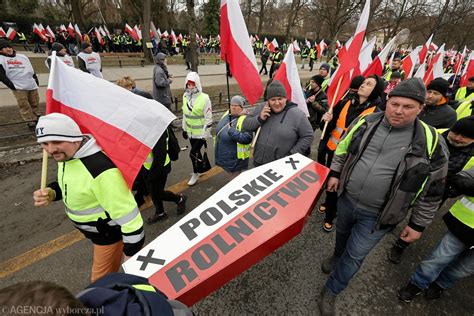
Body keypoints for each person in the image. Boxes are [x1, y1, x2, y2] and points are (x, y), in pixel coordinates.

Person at [318, 78, 449, 316]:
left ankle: (332, 290)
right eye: (394, 103)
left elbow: (433, 190)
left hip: (379, 216)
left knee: (355, 255)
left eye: (408, 106)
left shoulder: (431, 143)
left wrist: (417, 224)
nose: (398, 111)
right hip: (347, 200)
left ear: (421, 108)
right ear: (387, 101)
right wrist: (335, 173)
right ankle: (336, 256)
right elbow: (343, 147)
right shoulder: (366, 121)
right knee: (342, 237)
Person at [33, 113, 145, 282]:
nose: (50, 149)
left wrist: (131, 255)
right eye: (45, 143)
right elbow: (70, 183)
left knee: (100, 285)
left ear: (75, 139)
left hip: (107, 237)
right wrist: (52, 192)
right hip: (97, 234)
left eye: (56, 141)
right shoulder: (68, 156)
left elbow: (131, 218)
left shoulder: (101, 171)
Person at [388, 116, 474, 263]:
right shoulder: (435, 134)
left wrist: (455, 189)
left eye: (464, 137)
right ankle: (389, 223)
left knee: (420, 220)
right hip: (414, 182)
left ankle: (401, 245)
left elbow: (467, 180)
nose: (458, 138)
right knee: (399, 205)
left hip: (438, 192)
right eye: (456, 133)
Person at [398, 163, 473, 302]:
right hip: (466, 227)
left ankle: (440, 285)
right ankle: (417, 284)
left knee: (464, 269)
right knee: (439, 258)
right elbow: (463, 178)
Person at [317, 75, 383, 232]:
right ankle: (328, 203)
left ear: (376, 91)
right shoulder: (345, 102)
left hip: (350, 158)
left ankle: (330, 216)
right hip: (332, 150)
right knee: (330, 181)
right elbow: (329, 126)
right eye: (364, 82)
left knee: (337, 185)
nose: (363, 85)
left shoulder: (376, 113)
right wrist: (325, 119)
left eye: (368, 84)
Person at [241, 80, 314, 166]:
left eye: (280, 99)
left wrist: (292, 155)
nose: (277, 103)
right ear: (268, 100)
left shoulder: (298, 114)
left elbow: (308, 136)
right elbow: (245, 126)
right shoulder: (262, 108)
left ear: (286, 98)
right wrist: (259, 118)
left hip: (281, 165)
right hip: (258, 162)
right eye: (273, 99)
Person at [140, 127, 187, 223]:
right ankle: (160, 212)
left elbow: (160, 155)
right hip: (146, 166)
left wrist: (151, 175)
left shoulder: (157, 129)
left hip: (159, 168)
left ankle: (179, 199)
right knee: (152, 192)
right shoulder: (141, 126)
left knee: (158, 193)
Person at [0, 39, 40, 130]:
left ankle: (37, 117)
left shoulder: (22, 56)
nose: (8, 49)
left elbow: (31, 69)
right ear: (0, 50)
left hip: (31, 84)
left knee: (35, 103)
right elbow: (1, 76)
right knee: (24, 105)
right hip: (18, 87)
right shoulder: (1, 59)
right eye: (4, 48)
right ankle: (30, 122)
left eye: (9, 47)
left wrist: (35, 79)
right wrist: (12, 86)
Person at [182, 72, 212, 186]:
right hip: (190, 132)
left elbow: (208, 118)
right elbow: (185, 114)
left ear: (197, 84)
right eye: (188, 84)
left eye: (192, 84)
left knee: (192, 153)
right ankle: (202, 168)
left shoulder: (205, 98)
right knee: (196, 152)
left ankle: (195, 173)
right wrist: (184, 129)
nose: (190, 87)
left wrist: (205, 136)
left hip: (200, 133)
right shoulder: (185, 96)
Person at [215, 95, 253, 178]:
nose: (233, 107)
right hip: (225, 156)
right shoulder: (227, 114)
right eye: (232, 105)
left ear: (242, 107)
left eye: (236, 106)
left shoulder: (246, 119)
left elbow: (247, 138)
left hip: (236, 160)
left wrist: (232, 131)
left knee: (236, 180)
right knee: (230, 176)